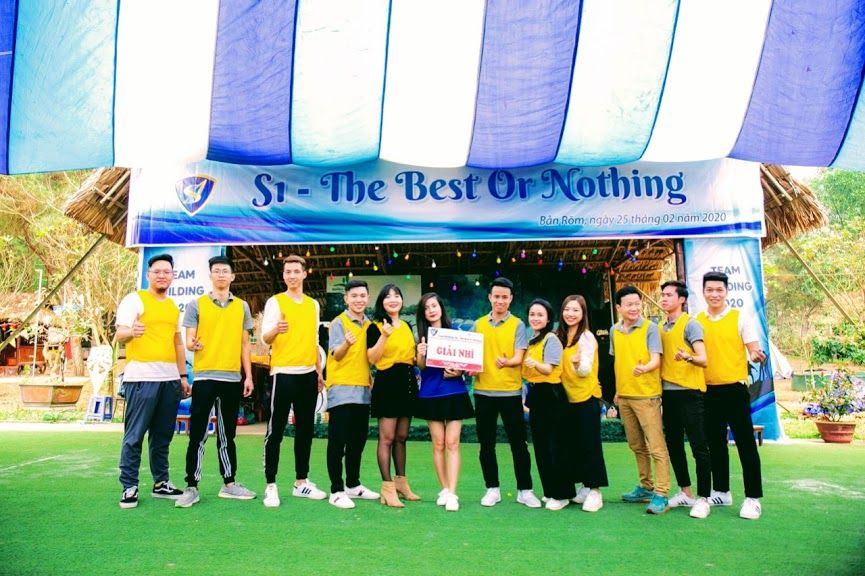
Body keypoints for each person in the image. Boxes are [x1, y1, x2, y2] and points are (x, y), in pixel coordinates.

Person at [175, 256, 257, 508]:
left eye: (225, 271)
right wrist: (193, 344)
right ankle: (191, 486)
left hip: (232, 378)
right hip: (204, 377)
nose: (221, 274)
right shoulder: (196, 304)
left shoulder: (242, 306)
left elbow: (245, 344)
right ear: (210, 275)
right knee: (198, 433)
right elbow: (189, 340)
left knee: (227, 434)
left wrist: (248, 375)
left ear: (232, 276)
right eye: (216, 271)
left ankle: (229, 484)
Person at [115, 253, 190, 508]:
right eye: (157, 271)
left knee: (162, 436)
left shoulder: (172, 306)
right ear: (148, 275)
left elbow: (177, 343)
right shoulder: (134, 299)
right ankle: (129, 486)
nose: (162, 276)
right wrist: (131, 331)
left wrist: (182, 376)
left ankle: (161, 483)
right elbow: (120, 334)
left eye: (167, 272)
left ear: (173, 276)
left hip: (170, 380)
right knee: (134, 435)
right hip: (141, 378)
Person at [697, 271, 766, 520]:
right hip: (708, 390)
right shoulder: (697, 320)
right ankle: (721, 491)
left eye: (719, 290)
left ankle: (753, 498)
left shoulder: (740, 317)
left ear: (726, 292)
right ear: (703, 292)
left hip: (735, 390)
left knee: (746, 444)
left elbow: (753, 348)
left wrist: (756, 354)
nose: (714, 294)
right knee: (715, 444)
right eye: (710, 290)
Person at [260, 255, 326, 507]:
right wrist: (276, 329)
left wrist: (318, 372)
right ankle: (271, 485)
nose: (292, 276)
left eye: (296, 271)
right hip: (283, 374)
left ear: (304, 274)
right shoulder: (275, 302)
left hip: (308, 374)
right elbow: (265, 338)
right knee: (275, 431)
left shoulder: (313, 305)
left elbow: (314, 340)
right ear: (284, 275)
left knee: (305, 430)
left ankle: (301, 482)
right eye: (288, 272)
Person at [472, 277, 540, 508]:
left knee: (519, 444)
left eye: (504, 297)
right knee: (486, 444)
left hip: (510, 393)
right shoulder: (478, 324)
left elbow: (519, 356)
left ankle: (525, 490)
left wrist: (507, 362)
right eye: (496, 296)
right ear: (489, 297)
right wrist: (469, 368)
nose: (500, 301)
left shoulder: (518, 324)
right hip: (483, 392)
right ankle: (492, 489)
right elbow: (471, 357)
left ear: (510, 299)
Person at [610, 285, 670, 515]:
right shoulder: (614, 330)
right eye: (629, 304)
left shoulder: (650, 328)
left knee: (656, 446)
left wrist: (645, 368)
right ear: (619, 307)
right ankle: (645, 486)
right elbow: (618, 361)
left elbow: (656, 359)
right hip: (625, 396)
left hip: (647, 395)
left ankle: (661, 493)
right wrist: (618, 391)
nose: (634, 308)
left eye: (637, 303)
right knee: (636, 444)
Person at [415, 292, 475, 512]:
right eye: (426, 308)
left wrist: (459, 370)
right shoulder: (421, 337)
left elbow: (468, 366)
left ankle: (452, 493)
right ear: (423, 314)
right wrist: (420, 354)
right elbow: (421, 367)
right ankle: (445, 489)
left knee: (453, 442)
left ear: (441, 308)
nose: (431, 310)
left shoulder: (456, 333)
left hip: (454, 392)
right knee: (438, 443)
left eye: (434, 306)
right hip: (430, 394)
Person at [658, 280, 711, 519]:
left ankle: (703, 498)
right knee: (674, 444)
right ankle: (685, 492)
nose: (664, 298)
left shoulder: (691, 325)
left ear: (681, 299)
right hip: (668, 394)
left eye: (669, 295)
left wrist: (687, 357)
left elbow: (703, 359)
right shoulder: (660, 327)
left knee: (699, 446)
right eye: (663, 295)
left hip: (690, 393)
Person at [325, 279, 380, 509]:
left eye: (362, 296)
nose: (359, 300)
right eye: (354, 296)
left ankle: (353, 484)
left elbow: (371, 358)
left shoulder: (371, 325)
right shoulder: (339, 322)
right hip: (341, 389)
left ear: (368, 298)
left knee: (357, 441)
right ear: (346, 299)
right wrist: (346, 344)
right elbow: (336, 355)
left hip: (362, 391)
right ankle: (336, 490)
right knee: (338, 442)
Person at [367, 284, 420, 507]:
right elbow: (372, 358)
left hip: (407, 381)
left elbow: (412, 358)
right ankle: (387, 487)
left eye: (397, 296)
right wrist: (384, 336)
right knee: (387, 438)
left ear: (401, 300)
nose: (393, 299)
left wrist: (421, 354)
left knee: (401, 437)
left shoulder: (407, 326)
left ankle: (401, 483)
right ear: (381, 302)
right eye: (388, 297)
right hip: (387, 382)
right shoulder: (375, 326)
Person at [556, 294, 608, 513]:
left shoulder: (586, 337)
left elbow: (586, 369)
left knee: (590, 444)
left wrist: (578, 365)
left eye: (576, 310)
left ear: (583, 313)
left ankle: (595, 490)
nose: (570, 314)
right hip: (566, 397)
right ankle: (584, 486)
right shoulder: (559, 336)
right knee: (573, 444)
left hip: (586, 397)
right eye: (567, 309)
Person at [521, 298, 574, 511]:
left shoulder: (551, 339)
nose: (535, 318)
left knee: (555, 445)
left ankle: (562, 494)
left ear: (549, 318)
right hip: (536, 393)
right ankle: (550, 490)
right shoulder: (533, 340)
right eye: (532, 314)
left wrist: (535, 364)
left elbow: (550, 369)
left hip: (551, 394)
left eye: (540, 315)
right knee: (541, 445)